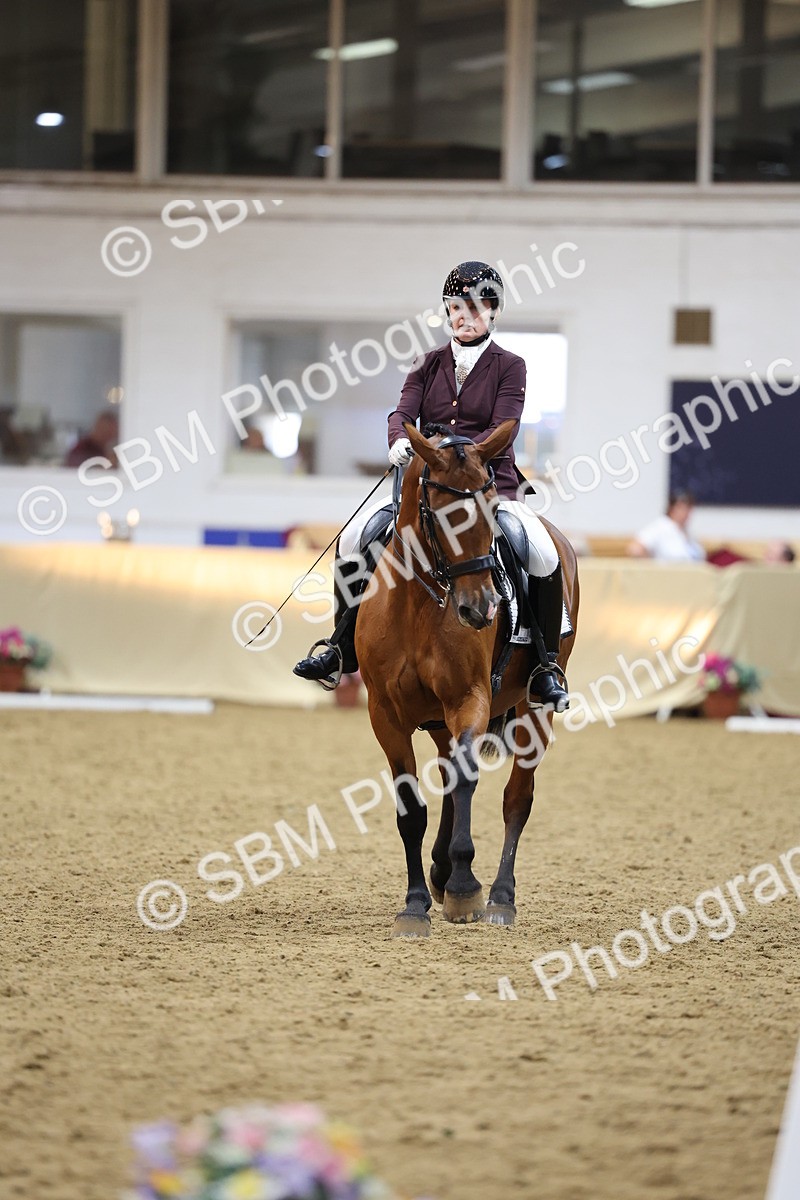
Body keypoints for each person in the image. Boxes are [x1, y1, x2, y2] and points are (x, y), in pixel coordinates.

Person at [293, 260, 570, 711]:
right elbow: (402, 412)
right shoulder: (427, 363)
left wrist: (460, 456)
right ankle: (341, 647)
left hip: (488, 486)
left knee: (541, 551)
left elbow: (506, 425)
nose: (464, 316)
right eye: (456, 307)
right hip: (427, 491)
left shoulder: (510, 365)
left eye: (475, 308)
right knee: (354, 539)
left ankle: (544, 663)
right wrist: (399, 440)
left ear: (493, 312)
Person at [628, 491, 705, 562]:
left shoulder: (687, 532)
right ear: (671, 508)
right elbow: (635, 549)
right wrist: (653, 566)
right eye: (681, 508)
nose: (685, 512)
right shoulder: (661, 526)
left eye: (688, 508)